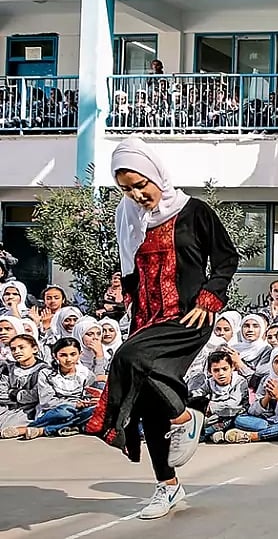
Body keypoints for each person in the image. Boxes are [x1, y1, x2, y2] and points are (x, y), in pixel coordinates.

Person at [83, 137, 240, 521]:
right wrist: (128, 297)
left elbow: (226, 258)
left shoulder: (194, 211)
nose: (136, 194)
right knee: (146, 400)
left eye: (140, 185)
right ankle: (166, 485)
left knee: (128, 357)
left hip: (189, 316)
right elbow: (128, 268)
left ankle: (186, 417)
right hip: (147, 317)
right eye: (126, 189)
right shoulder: (127, 214)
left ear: (156, 175)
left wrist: (210, 297)